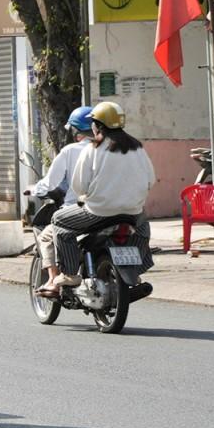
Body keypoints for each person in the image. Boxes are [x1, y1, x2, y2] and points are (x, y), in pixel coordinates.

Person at [47, 101, 155, 290]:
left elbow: (79, 186)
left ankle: (70, 274)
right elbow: (150, 181)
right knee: (143, 230)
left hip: (98, 212)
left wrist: (87, 195)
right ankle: (135, 270)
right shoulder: (137, 148)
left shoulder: (93, 148)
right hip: (132, 213)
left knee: (58, 221)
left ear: (97, 125)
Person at [33, 106, 97, 295]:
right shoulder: (112, 149)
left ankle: (54, 279)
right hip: (118, 209)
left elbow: (51, 182)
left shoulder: (71, 151)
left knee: (47, 235)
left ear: (76, 131)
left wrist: (35, 189)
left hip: (81, 210)